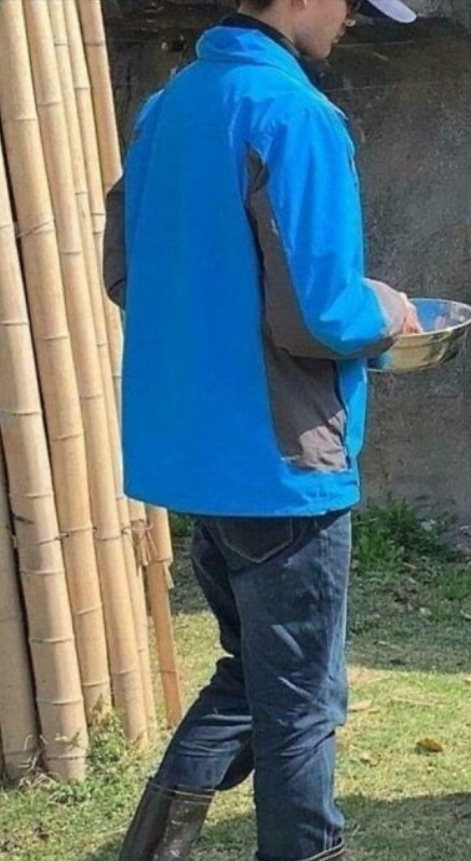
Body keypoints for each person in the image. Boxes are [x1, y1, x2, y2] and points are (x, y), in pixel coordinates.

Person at [105, 1, 421, 859]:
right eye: (353, 1)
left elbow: (125, 271)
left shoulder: (166, 109)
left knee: (253, 681)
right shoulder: (296, 116)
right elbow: (321, 312)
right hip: (281, 464)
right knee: (303, 707)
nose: (355, 18)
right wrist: (389, 311)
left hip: (198, 455)